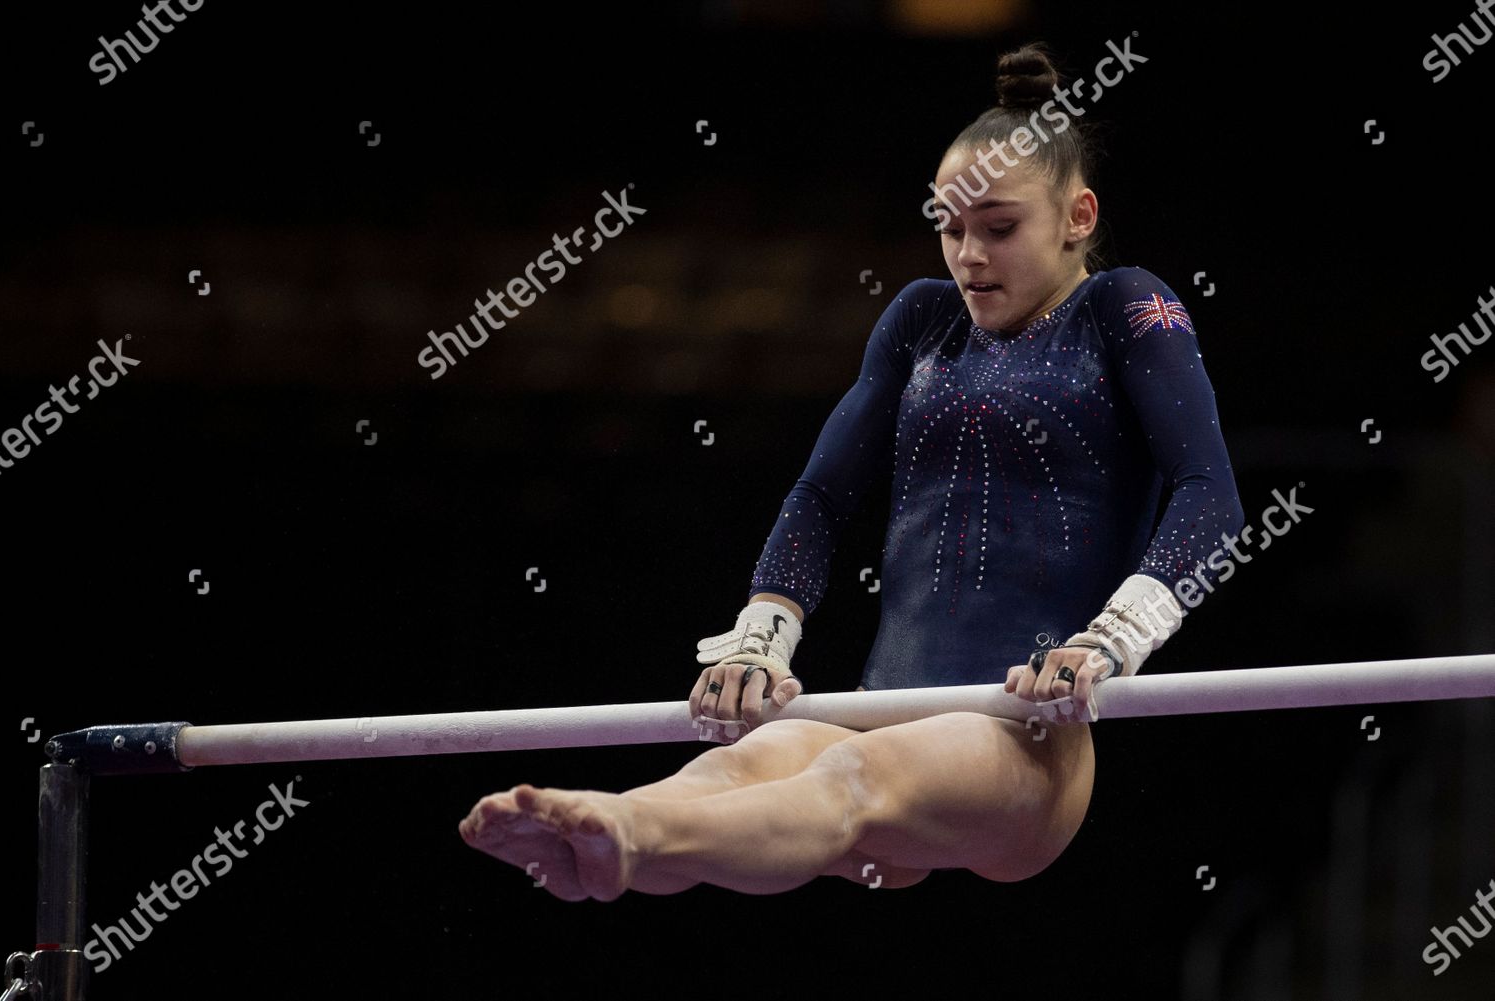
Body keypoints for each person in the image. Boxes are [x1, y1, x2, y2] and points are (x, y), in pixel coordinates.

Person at [459, 42, 1246, 902]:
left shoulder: (1123, 308)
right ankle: (598, 831)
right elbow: (822, 494)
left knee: (849, 778)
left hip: (1023, 737)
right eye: (948, 227)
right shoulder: (921, 319)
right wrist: (763, 634)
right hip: (883, 708)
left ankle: (632, 840)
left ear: (1078, 216)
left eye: (999, 226)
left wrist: (1110, 639)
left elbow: (1211, 493)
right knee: (743, 762)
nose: (969, 255)